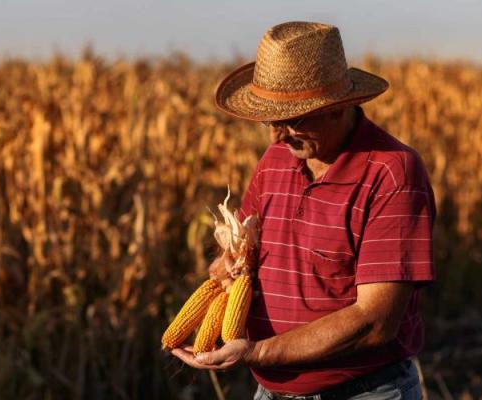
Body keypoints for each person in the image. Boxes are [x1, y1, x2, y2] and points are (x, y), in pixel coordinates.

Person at [170, 22, 436, 399]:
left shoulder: (393, 173)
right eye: (270, 119)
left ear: (336, 108)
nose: (276, 136)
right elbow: (237, 255)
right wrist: (227, 269)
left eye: (292, 120)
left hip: (362, 392)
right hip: (272, 392)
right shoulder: (275, 161)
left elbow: (375, 321)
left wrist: (258, 352)